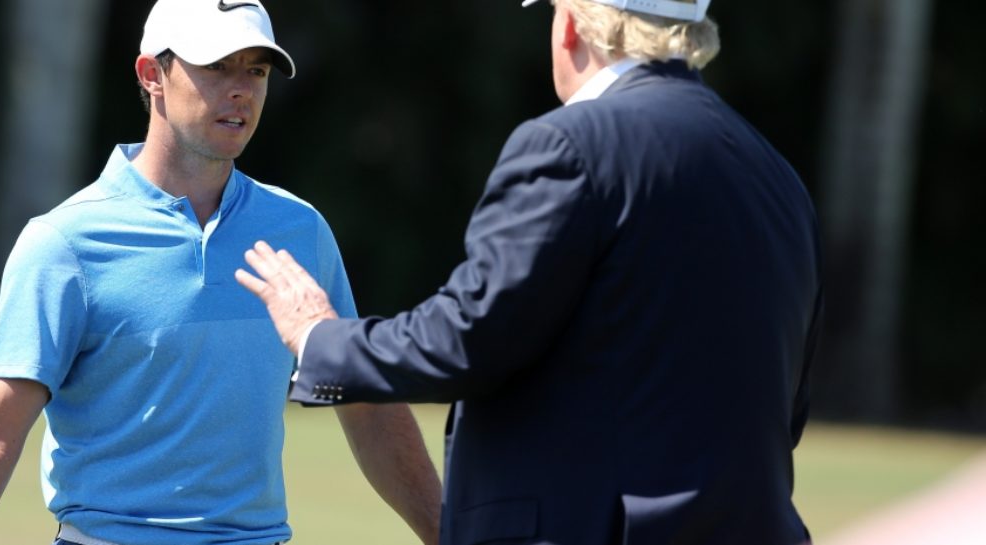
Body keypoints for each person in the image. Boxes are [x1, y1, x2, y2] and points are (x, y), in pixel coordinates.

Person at [235, 0, 823, 544]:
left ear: (571, 26)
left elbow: (471, 338)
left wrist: (320, 337)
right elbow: (784, 406)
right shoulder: (775, 175)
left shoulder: (571, 144)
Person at [0, 1, 442, 545]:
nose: (242, 90)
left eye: (255, 70)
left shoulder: (299, 231)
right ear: (151, 75)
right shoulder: (64, 242)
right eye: (216, 66)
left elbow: (367, 409)